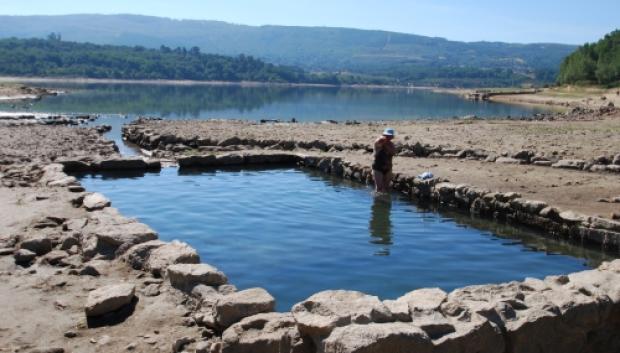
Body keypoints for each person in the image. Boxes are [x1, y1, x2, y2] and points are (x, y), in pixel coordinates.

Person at [372, 128, 396, 193]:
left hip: (388, 167)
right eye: (387, 136)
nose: (388, 137)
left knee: (386, 187)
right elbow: (378, 143)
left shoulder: (391, 144)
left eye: (390, 136)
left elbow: (393, 152)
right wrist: (383, 141)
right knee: (379, 188)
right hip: (378, 167)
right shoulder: (379, 142)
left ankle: (385, 201)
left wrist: (386, 145)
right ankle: (378, 201)